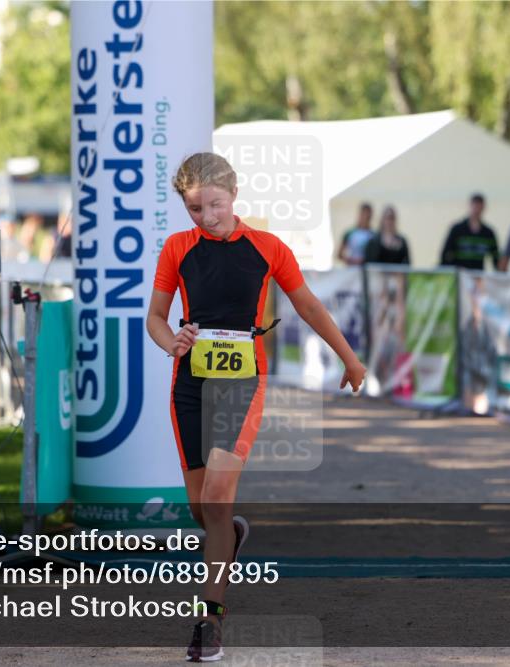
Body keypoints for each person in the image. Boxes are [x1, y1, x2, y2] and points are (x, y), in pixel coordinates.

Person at [148, 152, 365, 662]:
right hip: (190, 384)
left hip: (242, 382)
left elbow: (308, 305)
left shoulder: (268, 248)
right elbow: (156, 316)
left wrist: (350, 360)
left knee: (219, 500)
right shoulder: (178, 248)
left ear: (235, 194)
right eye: (194, 208)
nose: (206, 218)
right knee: (204, 510)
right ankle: (230, 539)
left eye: (214, 205)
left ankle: (210, 621)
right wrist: (170, 340)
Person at [439, 193, 500, 270]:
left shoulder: (488, 233)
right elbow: (445, 255)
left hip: (478, 277)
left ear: (483, 208)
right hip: (460, 276)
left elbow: (496, 258)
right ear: (470, 206)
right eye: (475, 206)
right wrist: (454, 269)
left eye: (479, 207)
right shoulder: (457, 229)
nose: (477, 210)